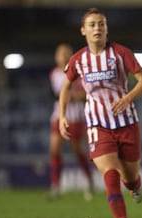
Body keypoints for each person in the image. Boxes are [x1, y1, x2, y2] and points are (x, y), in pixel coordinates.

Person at [58, 8, 142, 218]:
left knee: (129, 179)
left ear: (106, 28)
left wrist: (127, 98)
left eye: (101, 24)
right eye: (92, 24)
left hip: (127, 122)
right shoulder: (78, 59)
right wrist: (62, 116)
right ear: (83, 31)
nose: (97, 28)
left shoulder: (120, 53)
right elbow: (66, 88)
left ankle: (135, 185)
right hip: (98, 125)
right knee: (110, 174)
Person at [48, 43, 95, 201]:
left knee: (77, 150)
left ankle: (88, 180)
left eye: (66, 53)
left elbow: (85, 93)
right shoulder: (54, 73)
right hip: (58, 115)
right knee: (54, 149)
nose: (63, 56)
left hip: (75, 116)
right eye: (60, 54)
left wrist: (74, 97)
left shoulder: (79, 73)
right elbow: (57, 95)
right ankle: (55, 186)